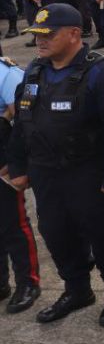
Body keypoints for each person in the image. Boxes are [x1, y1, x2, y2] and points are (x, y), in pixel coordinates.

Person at [6, 4, 104, 326]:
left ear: (75, 34)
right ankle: (77, 289)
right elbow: (22, 124)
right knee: (56, 233)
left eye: (48, 35)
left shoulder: (101, 73)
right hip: (46, 173)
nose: (40, 41)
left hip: (87, 173)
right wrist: (18, 166)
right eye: (36, 35)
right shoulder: (35, 71)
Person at [0, 55, 40, 314]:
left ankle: (27, 283)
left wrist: (14, 160)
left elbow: (23, 115)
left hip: (2, 161)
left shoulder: (5, 73)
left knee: (12, 224)